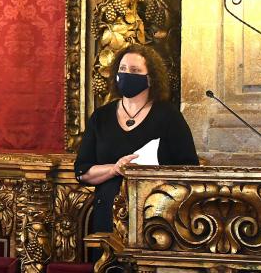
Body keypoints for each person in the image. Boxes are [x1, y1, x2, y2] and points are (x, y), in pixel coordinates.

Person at [74, 44, 199, 234]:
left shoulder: (168, 116)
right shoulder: (101, 117)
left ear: (150, 78)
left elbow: (189, 170)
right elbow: (82, 171)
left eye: (135, 70)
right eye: (122, 69)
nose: (126, 75)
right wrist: (115, 169)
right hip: (107, 217)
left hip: (156, 219)